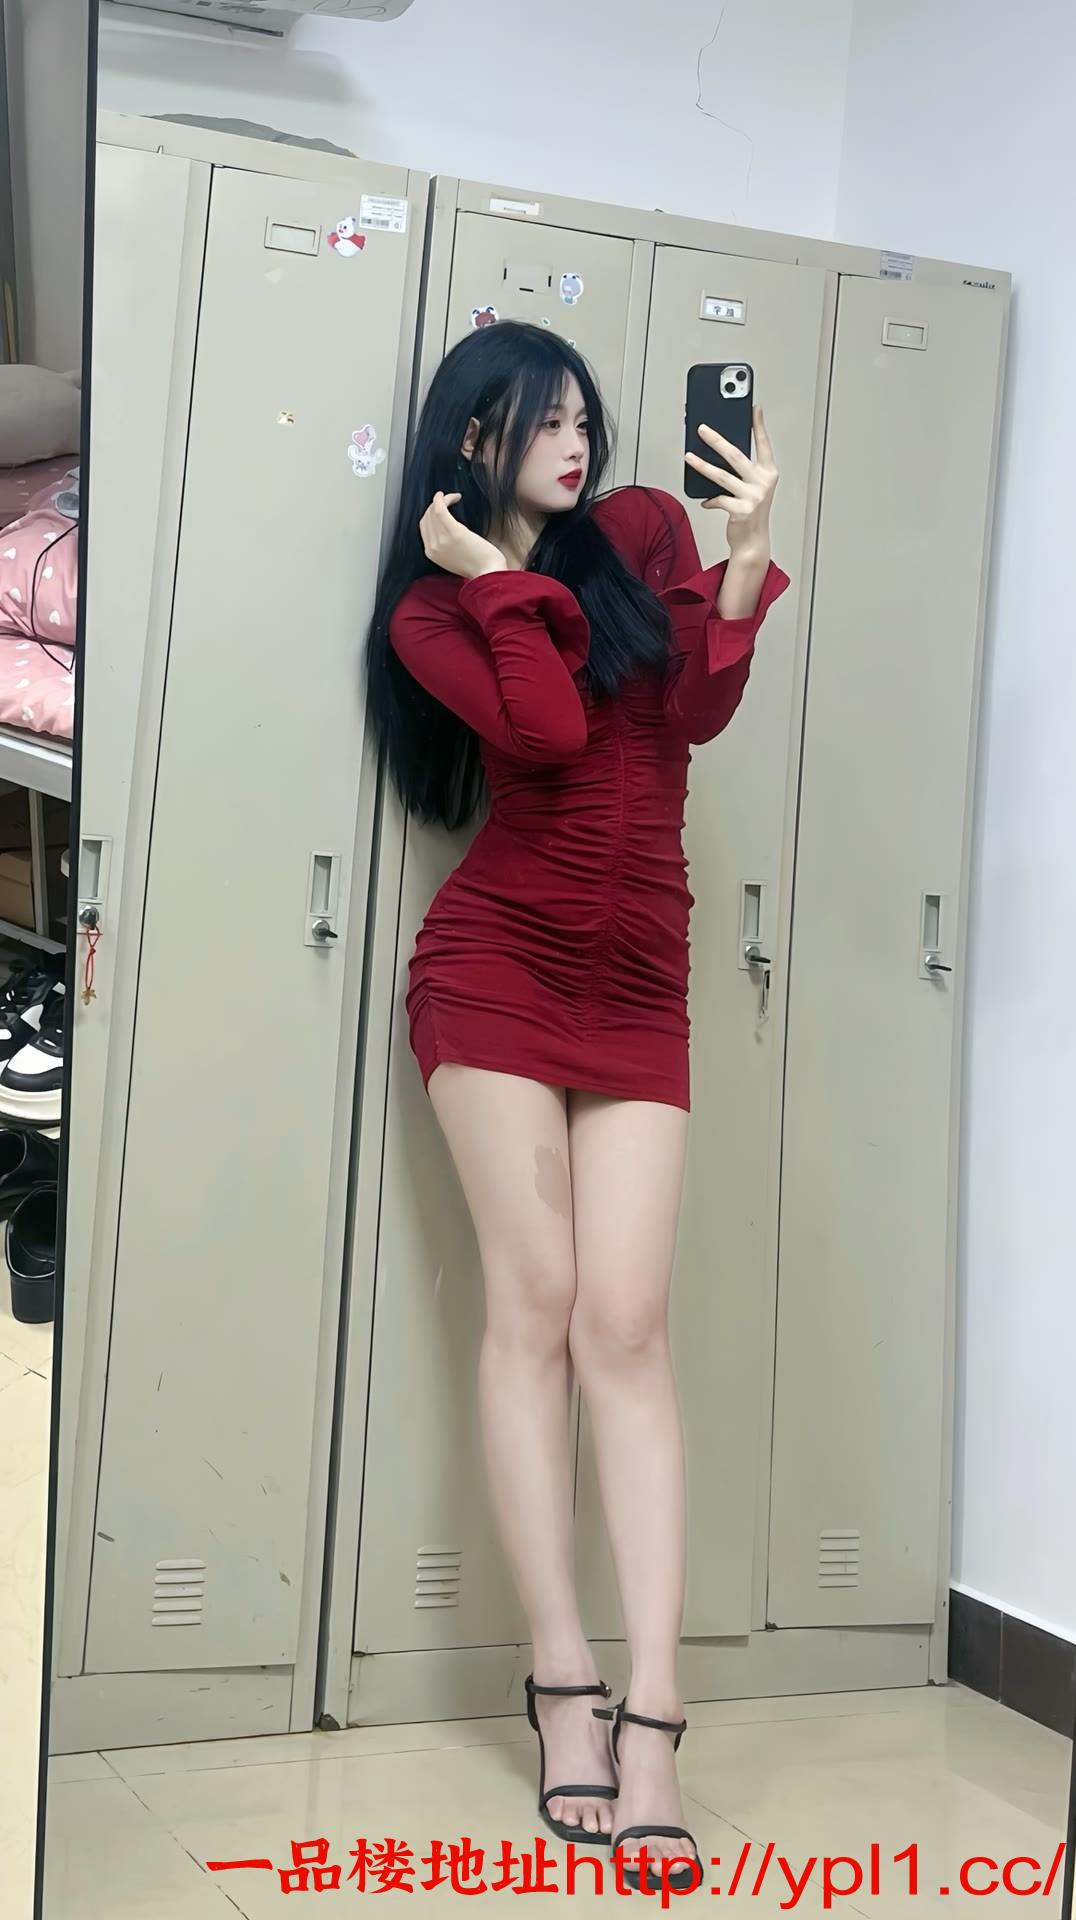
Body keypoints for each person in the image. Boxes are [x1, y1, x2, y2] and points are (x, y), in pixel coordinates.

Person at [364, 321, 789, 1894]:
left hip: (641, 977)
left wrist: (743, 559)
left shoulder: (645, 533)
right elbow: (542, 731)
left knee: (628, 1326)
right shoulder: (430, 611)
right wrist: (488, 571)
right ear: (471, 438)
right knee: (534, 1304)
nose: (575, 439)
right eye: (540, 419)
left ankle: (655, 1712)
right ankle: (562, 1684)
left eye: (583, 417)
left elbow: (694, 716)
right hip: (494, 968)